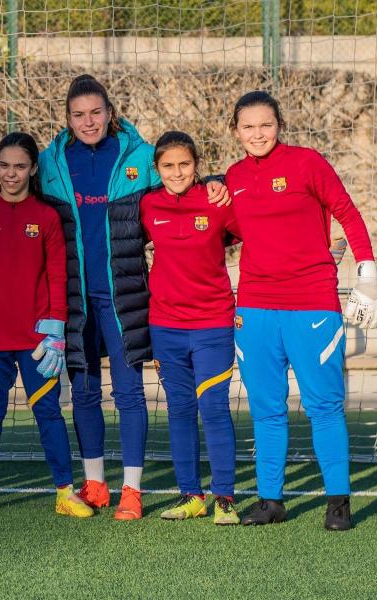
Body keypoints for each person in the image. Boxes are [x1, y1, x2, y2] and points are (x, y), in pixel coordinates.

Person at [0, 74, 229, 520]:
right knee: (84, 392)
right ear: (67, 119)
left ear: (110, 113)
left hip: (123, 295)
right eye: (78, 114)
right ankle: (94, 483)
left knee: (129, 392)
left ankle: (132, 489)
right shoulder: (51, 161)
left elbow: (179, 176)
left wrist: (216, 180)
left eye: (96, 112)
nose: (88, 121)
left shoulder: (140, 157)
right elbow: (17, 186)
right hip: (71, 299)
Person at [226, 91, 377, 530]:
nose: (258, 133)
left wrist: (367, 276)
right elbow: (224, 231)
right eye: (248, 126)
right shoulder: (233, 177)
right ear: (236, 130)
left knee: (324, 406)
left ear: (279, 125)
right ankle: (271, 501)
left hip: (311, 304)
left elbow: (348, 214)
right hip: (255, 308)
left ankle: (338, 504)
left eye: (266, 124)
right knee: (266, 409)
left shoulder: (306, 163)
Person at [0, 133, 93, 518]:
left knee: (48, 411)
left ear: (33, 168)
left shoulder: (46, 217)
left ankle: (65, 491)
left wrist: (55, 332)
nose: (11, 173)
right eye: (4, 165)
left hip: (37, 340)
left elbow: (56, 277)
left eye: (19, 166)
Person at [140, 131, 240, 525]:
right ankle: (190, 495)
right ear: (157, 169)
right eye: (168, 165)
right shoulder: (148, 204)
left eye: (185, 164)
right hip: (164, 326)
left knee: (214, 408)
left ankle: (225, 498)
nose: (177, 172)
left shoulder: (218, 202)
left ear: (197, 165)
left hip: (213, 324)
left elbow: (258, 232)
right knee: (180, 411)